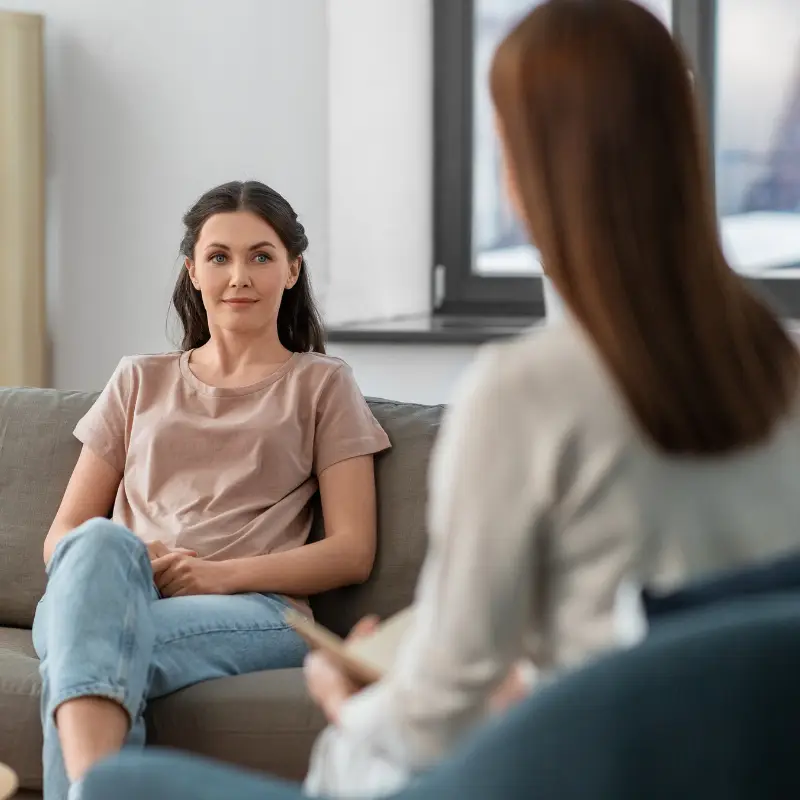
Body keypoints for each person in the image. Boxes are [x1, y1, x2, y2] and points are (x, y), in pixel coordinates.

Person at [82, 0, 800, 796]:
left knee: (124, 787)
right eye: (217, 257)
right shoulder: (781, 370)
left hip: (556, 772)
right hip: (715, 766)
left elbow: (438, 707)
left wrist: (351, 702)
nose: (238, 276)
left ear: (529, 173)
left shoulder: (523, 392)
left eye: (502, 149)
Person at [34, 180, 391, 800]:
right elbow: (61, 541)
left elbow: (352, 550)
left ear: (292, 268)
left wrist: (215, 575)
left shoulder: (323, 384)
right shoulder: (137, 379)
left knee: (86, 656)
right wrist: (139, 563)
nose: (239, 276)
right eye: (219, 257)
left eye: (261, 256)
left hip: (254, 609)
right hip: (115, 590)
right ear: (193, 272)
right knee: (95, 549)